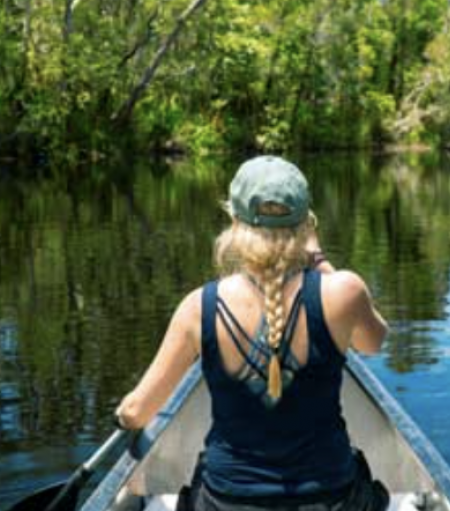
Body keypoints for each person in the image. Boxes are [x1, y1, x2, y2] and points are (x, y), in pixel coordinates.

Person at [115, 155, 391, 511]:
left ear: (233, 221)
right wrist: (319, 258)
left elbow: (138, 411)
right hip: (331, 500)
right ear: (307, 224)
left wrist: (123, 415)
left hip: (226, 503)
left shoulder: (199, 307)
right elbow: (373, 342)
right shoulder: (344, 292)